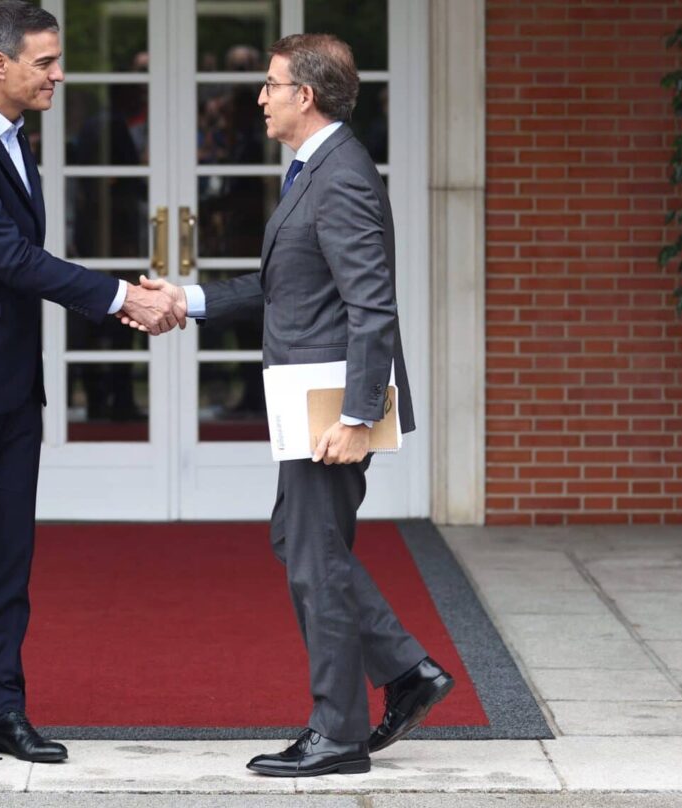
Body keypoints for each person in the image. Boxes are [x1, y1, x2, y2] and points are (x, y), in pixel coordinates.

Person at [129, 33, 454, 777]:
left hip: (329, 407)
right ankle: (406, 671)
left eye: (271, 85)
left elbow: (372, 307)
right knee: (303, 544)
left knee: (313, 559)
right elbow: (288, 286)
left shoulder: (338, 176)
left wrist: (353, 417)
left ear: (304, 96)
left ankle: (339, 734)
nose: (260, 97)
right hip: (311, 401)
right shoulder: (318, 169)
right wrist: (191, 299)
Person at [0, 0, 181, 773]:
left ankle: (3, 711)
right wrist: (125, 297)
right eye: (47, 62)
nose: (60, 74)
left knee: (9, 561)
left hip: (14, 384)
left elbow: (21, 263)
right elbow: (10, 259)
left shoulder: (19, 142)